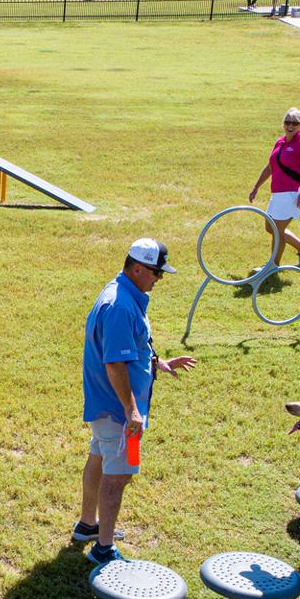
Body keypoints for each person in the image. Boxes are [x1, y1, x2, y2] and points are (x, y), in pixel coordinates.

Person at [77, 239, 199, 564]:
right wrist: (132, 412)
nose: (159, 278)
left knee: (99, 459)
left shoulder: (124, 294)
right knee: (118, 476)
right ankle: (103, 549)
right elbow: (115, 364)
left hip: (109, 409)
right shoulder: (120, 307)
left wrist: (159, 363)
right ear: (138, 268)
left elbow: (132, 349)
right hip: (120, 414)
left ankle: (88, 525)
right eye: (157, 272)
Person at [247, 107, 300, 265]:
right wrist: (256, 187)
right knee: (270, 228)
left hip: (292, 193)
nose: (290, 125)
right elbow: (270, 167)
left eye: (295, 123)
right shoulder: (280, 141)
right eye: (287, 122)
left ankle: (272, 266)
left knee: (277, 231)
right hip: (278, 193)